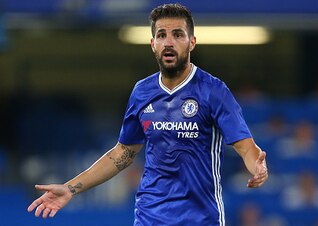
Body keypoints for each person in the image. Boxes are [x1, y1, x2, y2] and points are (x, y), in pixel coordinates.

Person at [27, 3, 268, 226]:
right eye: (161, 35)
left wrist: (257, 166)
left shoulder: (214, 91)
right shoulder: (142, 92)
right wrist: (70, 188)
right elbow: (123, 153)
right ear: (153, 44)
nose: (169, 42)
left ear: (191, 42)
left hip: (201, 219)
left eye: (178, 35)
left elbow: (245, 146)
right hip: (150, 217)